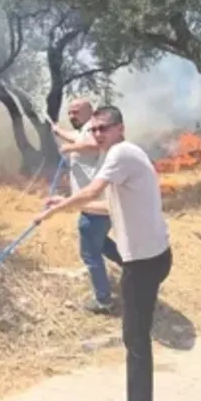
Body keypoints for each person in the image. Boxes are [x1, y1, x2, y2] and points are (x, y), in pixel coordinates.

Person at [36, 105, 173, 401]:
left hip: (143, 263)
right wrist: (66, 205)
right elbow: (108, 205)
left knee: (136, 340)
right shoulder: (124, 154)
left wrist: (54, 212)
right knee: (133, 336)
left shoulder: (120, 154)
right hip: (147, 258)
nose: (97, 134)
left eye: (104, 129)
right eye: (94, 129)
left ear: (120, 128)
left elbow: (94, 190)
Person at [51, 98, 119, 315]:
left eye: (76, 112)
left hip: (94, 206)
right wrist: (58, 130)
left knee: (90, 254)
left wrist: (69, 147)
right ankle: (133, 267)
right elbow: (77, 137)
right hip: (94, 204)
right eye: (69, 112)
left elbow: (92, 144)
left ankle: (103, 301)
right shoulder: (86, 130)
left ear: (90, 111)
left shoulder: (95, 131)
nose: (72, 116)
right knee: (102, 244)